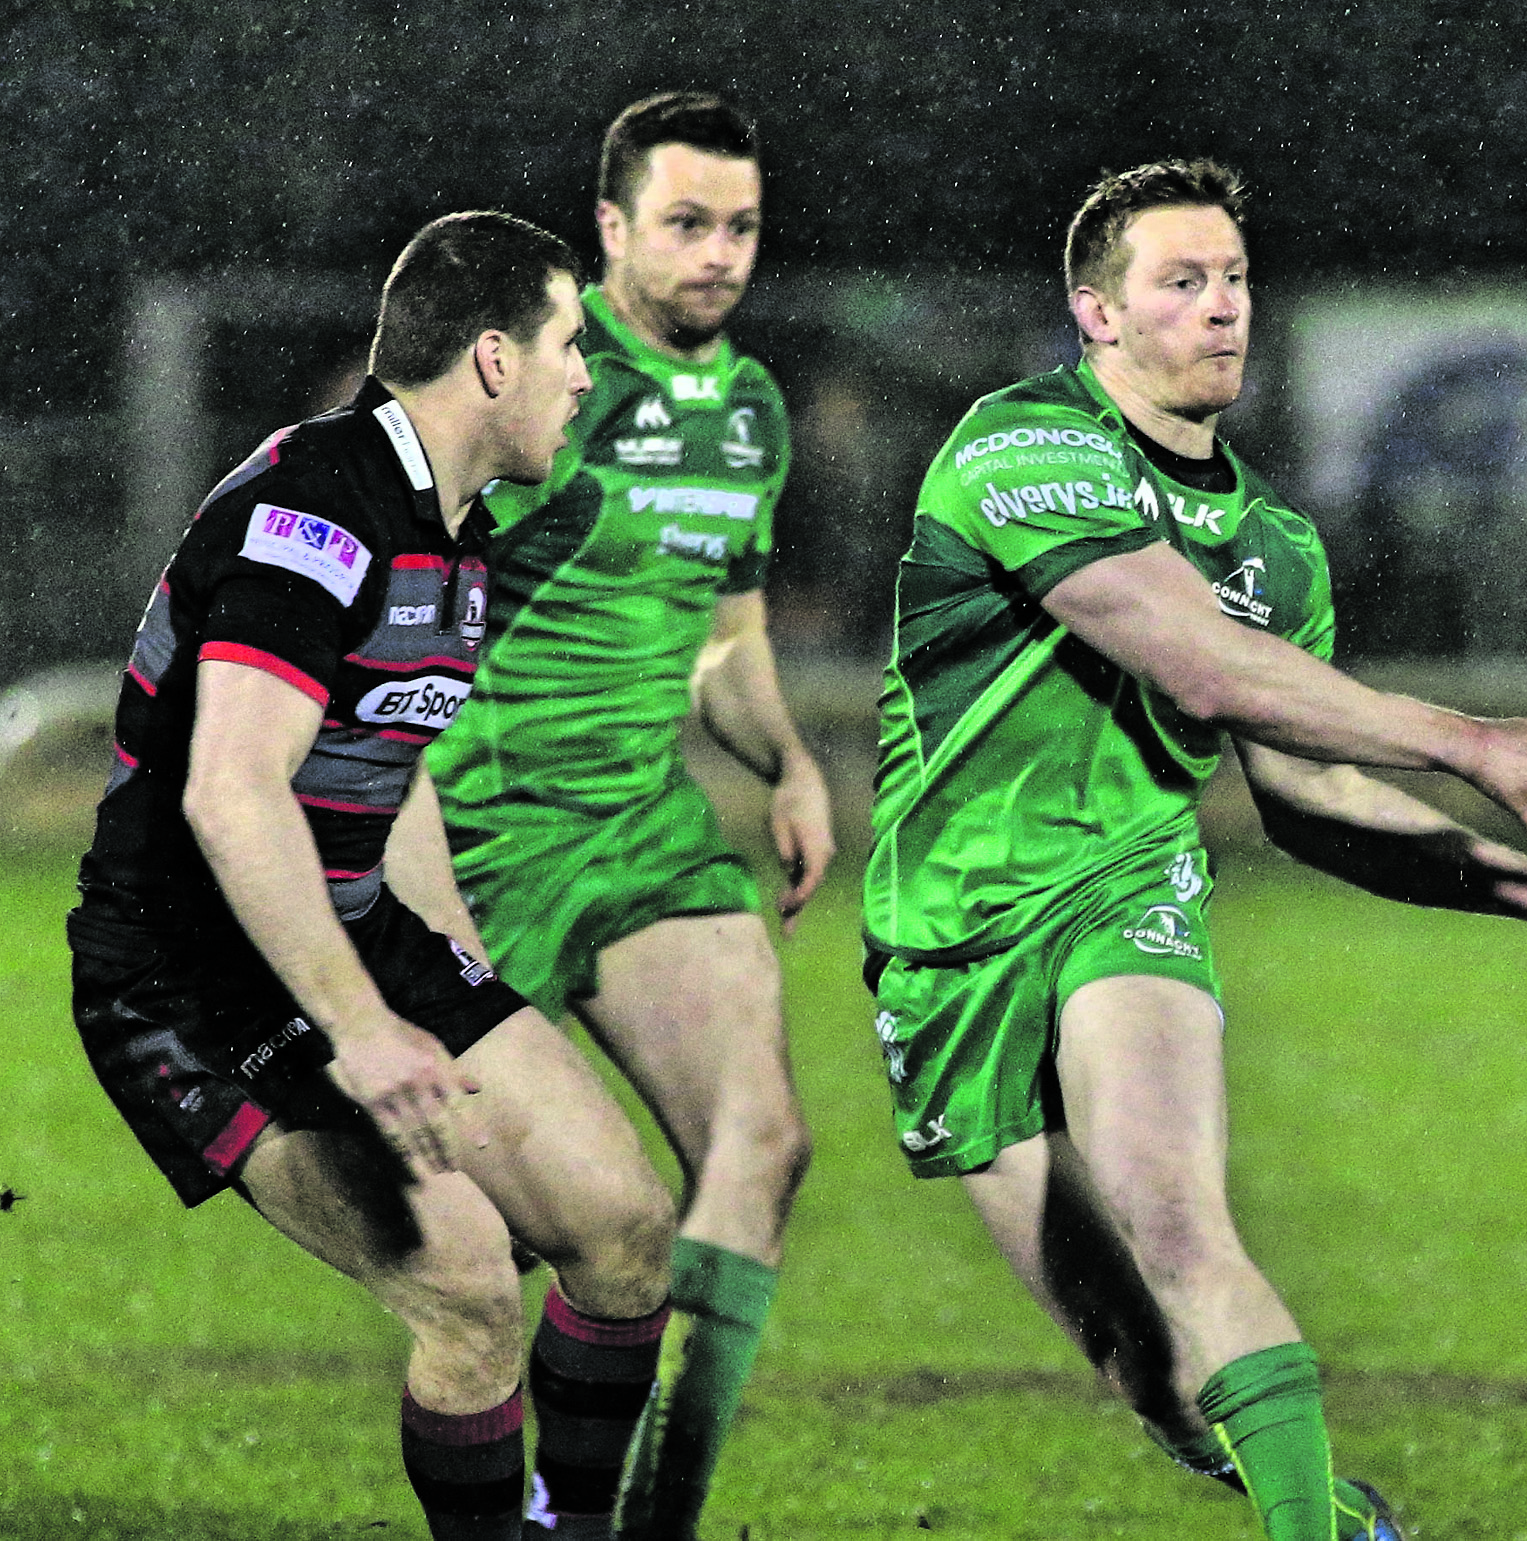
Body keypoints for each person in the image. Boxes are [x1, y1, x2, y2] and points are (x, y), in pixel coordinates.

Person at [862, 160, 1527, 1541]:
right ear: (1096, 314)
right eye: (1183, 283)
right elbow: (1197, 662)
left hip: (1122, 899)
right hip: (941, 939)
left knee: (1178, 1222)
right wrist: (1464, 738)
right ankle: (1327, 1511)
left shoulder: (1276, 545)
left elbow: (1309, 787)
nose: (1223, 312)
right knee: (1148, 1375)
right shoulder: (1022, 447)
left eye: (1236, 280)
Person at [67, 212, 686, 1541]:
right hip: (187, 980)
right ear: (494, 360)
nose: (587, 375)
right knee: (468, 1283)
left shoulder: (455, 530)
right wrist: (364, 1032)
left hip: (351, 933)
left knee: (624, 1225)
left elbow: (383, 773)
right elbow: (234, 791)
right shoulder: (317, 505)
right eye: (572, 344)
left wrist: (471, 1001)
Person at [427, 92, 827, 1537]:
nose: (721, 255)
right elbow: (395, 581)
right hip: (481, 837)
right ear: (610, 228)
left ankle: (652, 1514)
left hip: (645, 833)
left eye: (744, 228)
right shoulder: (544, 382)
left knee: (762, 1142)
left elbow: (722, 634)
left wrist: (784, 757)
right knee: (523, 1244)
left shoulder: (755, 411)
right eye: (687, 224)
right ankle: (535, 1495)